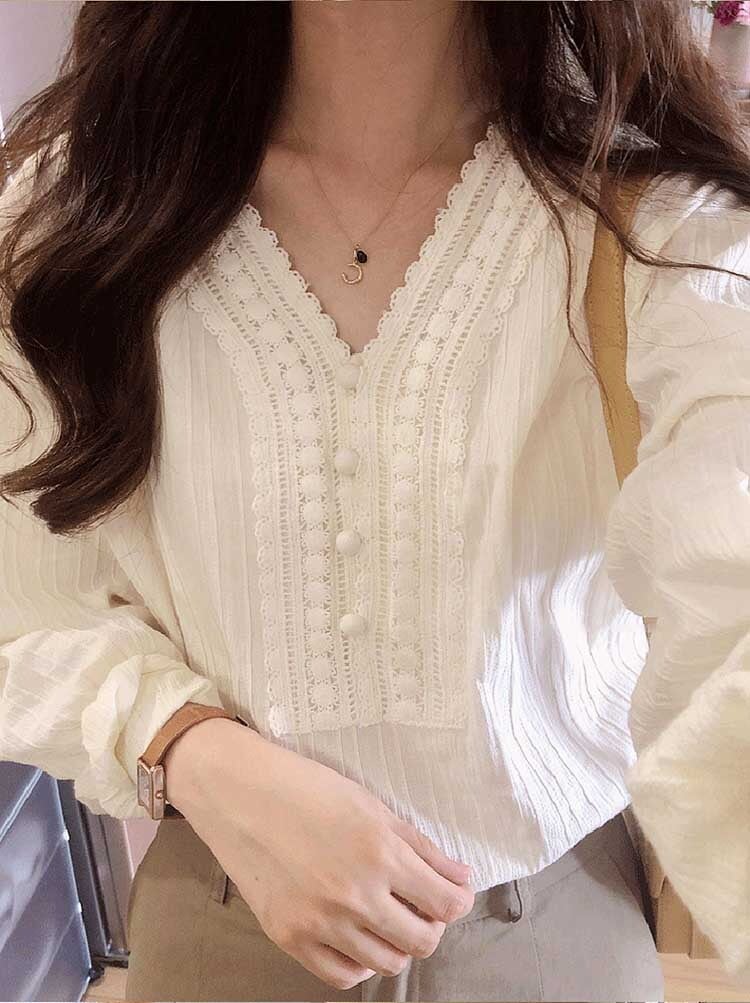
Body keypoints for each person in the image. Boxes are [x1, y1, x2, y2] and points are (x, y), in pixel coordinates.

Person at [1, 1, 749, 1000]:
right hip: (219, 924)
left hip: (551, 935)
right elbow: (21, 598)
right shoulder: (78, 207)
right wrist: (190, 746)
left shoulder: (663, 228)